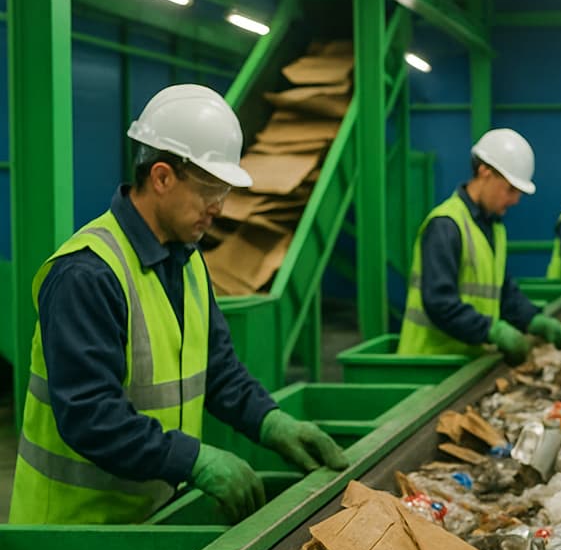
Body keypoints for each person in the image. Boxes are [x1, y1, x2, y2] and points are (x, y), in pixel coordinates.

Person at [10, 84, 349, 526]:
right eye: (210, 189)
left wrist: (271, 422)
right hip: (73, 534)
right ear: (163, 177)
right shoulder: (87, 275)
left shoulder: (187, 261)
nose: (220, 208)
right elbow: (91, 416)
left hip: (148, 516)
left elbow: (220, 370)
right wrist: (193, 460)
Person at [398, 128, 561, 361]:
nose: (515, 200)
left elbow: (503, 291)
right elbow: (439, 302)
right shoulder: (446, 225)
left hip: (465, 363)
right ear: (485, 172)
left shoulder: (495, 228)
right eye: (510, 190)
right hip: (429, 365)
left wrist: (532, 319)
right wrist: (491, 330)